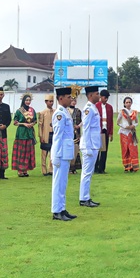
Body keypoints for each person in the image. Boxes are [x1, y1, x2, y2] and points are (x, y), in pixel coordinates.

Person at [50, 86, 77, 221]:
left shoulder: (65, 112)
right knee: (58, 182)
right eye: (68, 97)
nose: (70, 99)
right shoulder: (59, 114)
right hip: (60, 152)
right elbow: (57, 136)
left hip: (66, 151)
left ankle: (62, 208)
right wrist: (55, 155)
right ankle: (56, 211)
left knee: (63, 182)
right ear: (60, 98)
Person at [79, 86, 102, 208]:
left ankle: (86, 197)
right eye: (97, 94)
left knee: (89, 172)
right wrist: (87, 147)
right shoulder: (88, 108)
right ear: (90, 95)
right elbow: (86, 128)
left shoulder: (94, 107)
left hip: (94, 144)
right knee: (86, 173)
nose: (99, 96)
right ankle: (84, 198)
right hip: (89, 145)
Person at [11, 94, 37, 178]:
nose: (28, 102)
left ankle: (25, 169)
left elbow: (35, 120)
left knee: (28, 151)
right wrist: (24, 124)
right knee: (21, 152)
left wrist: (32, 124)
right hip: (21, 133)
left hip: (29, 133)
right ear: (23, 101)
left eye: (29, 100)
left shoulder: (32, 110)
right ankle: (20, 170)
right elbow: (15, 122)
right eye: (26, 100)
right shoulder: (19, 111)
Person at [94, 89, 115, 174]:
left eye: (107, 98)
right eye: (104, 97)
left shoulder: (110, 107)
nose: (106, 99)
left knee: (104, 150)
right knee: (96, 150)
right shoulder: (96, 106)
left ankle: (102, 168)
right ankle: (95, 167)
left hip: (105, 130)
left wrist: (111, 133)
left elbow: (111, 120)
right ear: (100, 97)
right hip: (98, 131)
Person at [119, 96, 139, 173]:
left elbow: (137, 122)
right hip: (124, 132)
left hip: (131, 132)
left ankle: (134, 166)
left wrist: (134, 126)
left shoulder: (134, 112)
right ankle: (127, 166)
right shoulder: (122, 112)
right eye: (126, 102)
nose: (128, 104)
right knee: (125, 149)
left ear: (131, 103)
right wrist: (125, 126)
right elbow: (118, 122)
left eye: (129, 102)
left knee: (133, 149)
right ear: (124, 103)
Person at [37, 94, 55, 176]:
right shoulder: (42, 113)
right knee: (44, 154)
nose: (51, 103)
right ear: (46, 102)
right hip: (45, 135)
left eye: (52, 101)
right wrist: (40, 136)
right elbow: (40, 125)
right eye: (50, 101)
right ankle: (44, 170)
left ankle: (51, 169)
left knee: (52, 153)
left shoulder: (55, 111)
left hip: (53, 134)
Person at [69, 94, 82, 175]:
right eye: (72, 101)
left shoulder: (78, 111)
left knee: (76, 150)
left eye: (75, 101)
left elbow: (82, 120)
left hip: (76, 132)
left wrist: (78, 126)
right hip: (69, 133)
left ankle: (74, 167)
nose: (73, 102)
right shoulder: (66, 110)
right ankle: (69, 168)